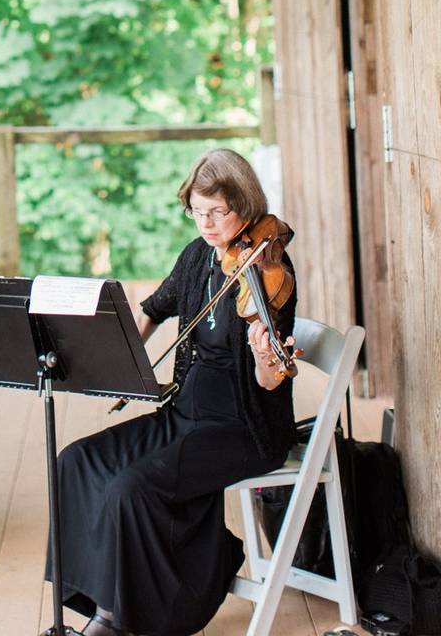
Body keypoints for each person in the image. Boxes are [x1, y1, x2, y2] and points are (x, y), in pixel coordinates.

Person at [49, 148, 298, 635]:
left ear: (245, 205)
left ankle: (121, 619)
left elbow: (271, 383)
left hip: (243, 427)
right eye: (197, 211)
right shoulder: (196, 257)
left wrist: (267, 356)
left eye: (217, 212)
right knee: (76, 461)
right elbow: (153, 308)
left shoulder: (268, 268)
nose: (205, 223)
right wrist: (118, 359)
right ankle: (95, 600)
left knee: (132, 486)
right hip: (183, 414)